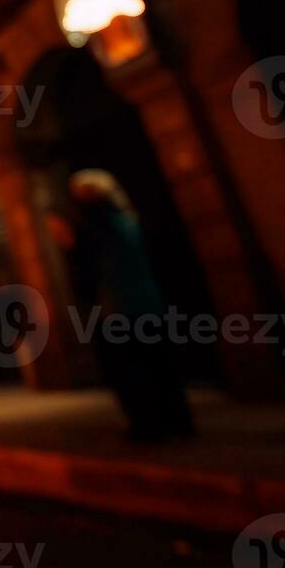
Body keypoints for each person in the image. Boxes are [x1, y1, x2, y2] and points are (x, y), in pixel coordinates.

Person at [63, 170, 193, 442]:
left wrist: (73, 245)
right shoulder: (127, 221)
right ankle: (173, 421)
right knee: (157, 366)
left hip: (122, 309)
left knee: (133, 370)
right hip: (142, 304)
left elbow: (95, 266)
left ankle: (151, 425)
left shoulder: (104, 227)